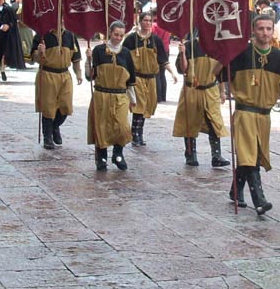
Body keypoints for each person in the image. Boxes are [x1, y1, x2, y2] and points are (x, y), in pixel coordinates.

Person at [222, 14, 280, 215]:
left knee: (254, 154)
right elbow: (222, 74)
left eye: (269, 29)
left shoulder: (278, 57)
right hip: (245, 111)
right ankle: (259, 200)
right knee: (249, 155)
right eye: (261, 29)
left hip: (264, 115)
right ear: (253, 30)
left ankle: (235, 191)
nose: (265, 33)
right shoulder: (241, 52)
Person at [173, 32, 230, 168]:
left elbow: (219, 73)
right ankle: (190, 154)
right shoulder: (190, 46)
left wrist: (222, 91)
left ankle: (216, 155)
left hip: (210, 90)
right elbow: (183, 70)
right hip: (191, 89)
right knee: (190, 122)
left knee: (214, 123)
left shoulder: (218, 46)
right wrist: (182, 54)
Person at [86, 21, 137, 170]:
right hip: (102, 94)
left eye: (121, 35)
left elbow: (131, 80)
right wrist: (88, 61)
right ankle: (101, 158)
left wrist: (133, 99)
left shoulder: (126, 53)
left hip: (120, 95)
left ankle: (118, 154)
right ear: (110, 33)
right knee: (101, 127)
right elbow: (90, 76)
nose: (118, 38)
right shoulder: (99, 50)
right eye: (116, 34)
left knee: (122, 127)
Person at [123, 12, 176, 147]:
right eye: (145, 20)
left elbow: (163, 60)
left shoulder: (156, 40)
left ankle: (139, 132)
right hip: (137, 77)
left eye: (150, 21)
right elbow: (123, 58)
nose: (147, 23)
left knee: (147, 107)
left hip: (151, 78)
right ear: (139, 21)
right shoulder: (130, 39)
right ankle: (135, 134)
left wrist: (172, 73)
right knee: (138, 106)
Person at [32, 28, 83, 150]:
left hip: (64, 75)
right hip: (48, 73)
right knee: (48, 107)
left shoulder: (70, 35)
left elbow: (75, 57)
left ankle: (55, 126)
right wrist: (39, 52)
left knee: (65, 106)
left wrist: (78, 73)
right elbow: (33, 57)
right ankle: (47, 136)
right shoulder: (42, 35)